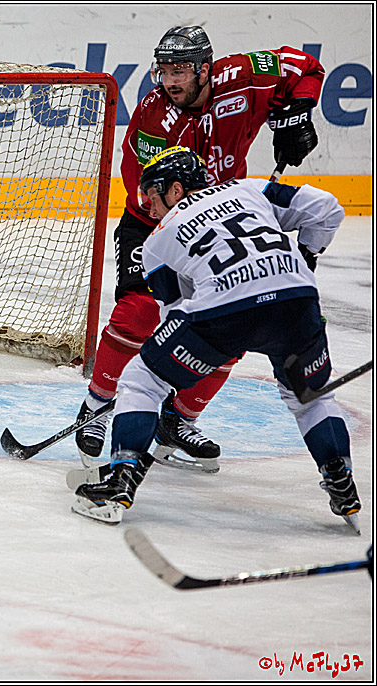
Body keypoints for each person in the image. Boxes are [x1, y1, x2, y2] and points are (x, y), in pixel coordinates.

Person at [75, 26, 326, 472]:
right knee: (139, 310)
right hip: (159, 221)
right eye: (164, 70)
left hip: (227, 224)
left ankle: (178, 419)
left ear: (205, 68)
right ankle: (96, 406)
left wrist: (300, 110)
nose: (170, 80)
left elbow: (305, 68)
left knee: (231, 327)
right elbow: (147, 197)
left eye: (181, 70)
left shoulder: (244, 75)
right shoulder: (155, 118)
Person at [72, 147, 360, 534]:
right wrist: (304, 259)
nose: (149, 208)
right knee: (312, 398)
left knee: (143, 378)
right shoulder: (248, 189)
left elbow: (175, 311)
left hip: (226, 312)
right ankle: (341, 481)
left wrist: (171, 367)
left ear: (175, 190)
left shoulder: (158, 239)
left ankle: (120, 482)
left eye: (152, 197)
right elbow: (326, 209)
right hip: (298, 300)